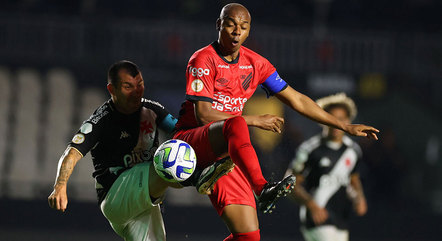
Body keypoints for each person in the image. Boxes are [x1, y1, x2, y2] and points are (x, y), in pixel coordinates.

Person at [173, 3, 379, 241]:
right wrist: (254, 120)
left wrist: (343, 126)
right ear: (219, 25)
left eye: (243, 26)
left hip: (224, 158)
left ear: (249, 31)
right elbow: (205, 115)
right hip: (192, 143)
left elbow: (298, 100)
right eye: (230, 25)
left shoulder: (256, 63)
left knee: (249, 237)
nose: (237, 31)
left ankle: (259, 189)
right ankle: (262, 188)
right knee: (238, 124)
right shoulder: (203, 59)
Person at [48, 60, 234, 241]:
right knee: (170, 157)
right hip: (116, 194)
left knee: (180, 149)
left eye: (140, 85)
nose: (136, 92)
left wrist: (214, 139)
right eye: (128, 87)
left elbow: (185, 134)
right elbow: (72, 153)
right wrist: (60, 186)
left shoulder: (151, 110)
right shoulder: (101, 120)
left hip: (145, 199)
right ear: (112, 90)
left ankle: (200, 173)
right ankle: (199, 177)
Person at [285, 93, 368, 241]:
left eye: (341, 119)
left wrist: (359, 197)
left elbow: (353, 179)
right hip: (317, 219)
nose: (336, 124)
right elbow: (289, 183)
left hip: (341, 220)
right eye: (332, 118)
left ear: (348, 121)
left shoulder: (353, 150)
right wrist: (311, 204)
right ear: (323, 119)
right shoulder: (310, 149)